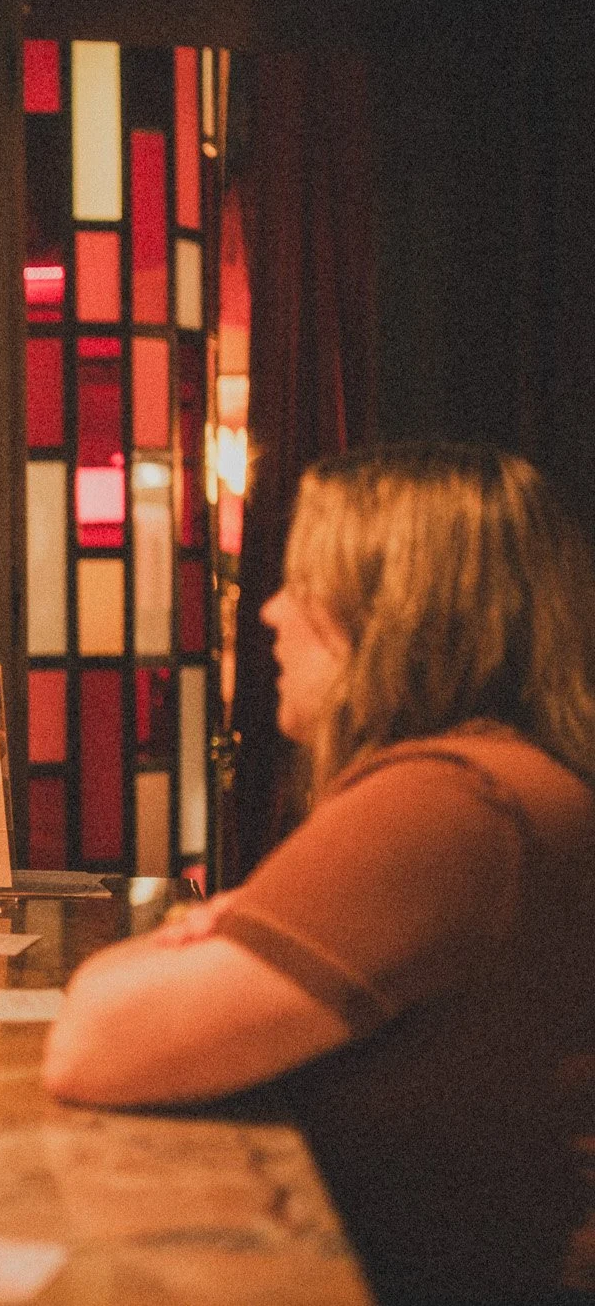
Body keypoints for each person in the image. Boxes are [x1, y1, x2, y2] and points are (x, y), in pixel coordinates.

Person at [42, 443, 595, 1304]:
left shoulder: (447, 802)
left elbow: (91, 1047)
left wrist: (182, 946)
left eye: (304, 583)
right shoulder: (508, 776)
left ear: (398, 611)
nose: (269, 611)